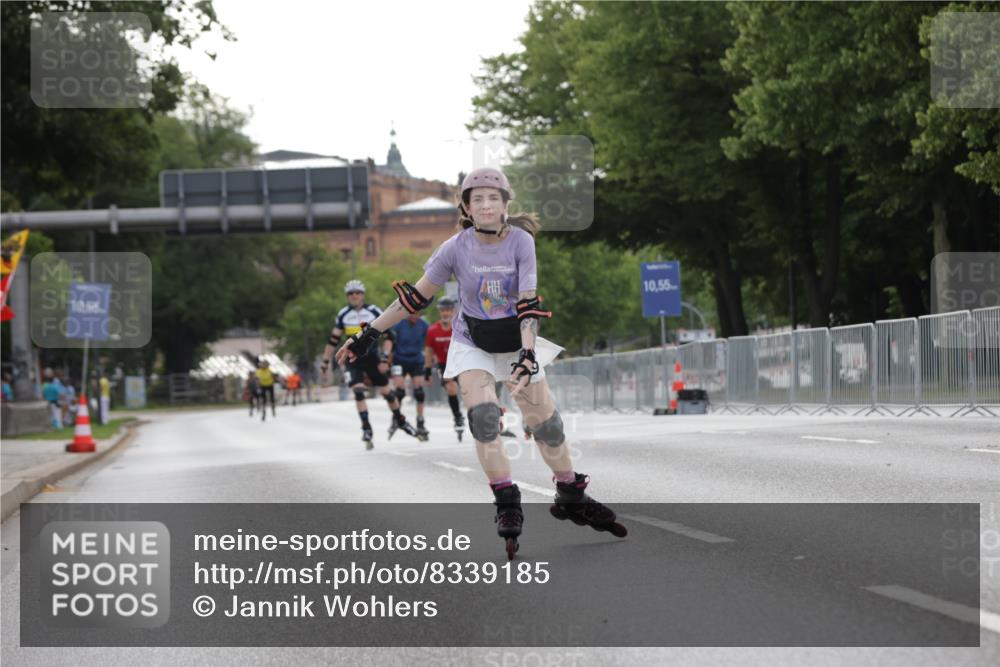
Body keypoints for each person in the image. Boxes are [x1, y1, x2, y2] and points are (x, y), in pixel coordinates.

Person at [335, 167, 625, 558]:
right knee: (485, 418)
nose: (485, 205)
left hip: (516, 339)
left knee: (547, 425)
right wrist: (367, 336)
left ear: (505, 204)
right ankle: (506, 499)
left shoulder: (521, 242)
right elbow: (414, 299)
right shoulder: (454, 248)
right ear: (467, 209)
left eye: (492, 198)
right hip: (473, 342)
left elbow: (528, 304)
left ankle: (571, 492)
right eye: (477, 199)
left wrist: (527, 355)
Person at [321, 279, 419, 449]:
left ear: (363, 295)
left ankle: (400, 420)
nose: (354, 296)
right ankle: (366, 428)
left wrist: (385, 358)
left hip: (373, 357)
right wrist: (325, 361)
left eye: (357, 292)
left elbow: (390, 336)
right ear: (347, 296)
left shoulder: (373, 311)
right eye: (351, 293)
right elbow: (333, 340)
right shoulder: (343, 314)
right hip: (353, 359)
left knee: (388, 393)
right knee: (358, 391)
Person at [423, 297, 465, 437]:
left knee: (467, 390)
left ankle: (474, 413)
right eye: (442, 310)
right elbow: (429, 351)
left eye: (448, 310)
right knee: (451, 388)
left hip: (461, 362)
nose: (445, 313)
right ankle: (458, 417)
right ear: (439, 312)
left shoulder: (459, 327)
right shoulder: (432, 330)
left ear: (453, 311)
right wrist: (427, 371)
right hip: (444, 365)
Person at [390, 311, 431, 440]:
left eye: (416, 314)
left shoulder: (424, 325)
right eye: (411, 314)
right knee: (400, 392)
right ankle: (396, 418)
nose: (413, 316)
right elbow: (390, 344)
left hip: (416, 360)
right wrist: (387, 362)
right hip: (399, 360)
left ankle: (420, 421)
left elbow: (429, 344)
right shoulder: (398, 325)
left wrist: (430, 361)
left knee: (419, 392)